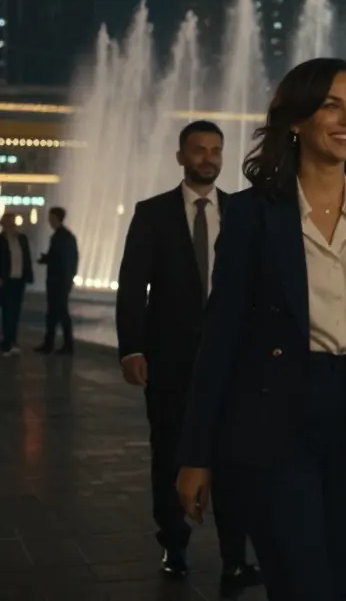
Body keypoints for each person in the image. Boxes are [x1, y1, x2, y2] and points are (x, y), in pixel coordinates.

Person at [174, 58, 346, 600]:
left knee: (333, 583)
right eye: (331, 105)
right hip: (275, 421)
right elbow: (221, 338)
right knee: (302, 585)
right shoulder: (254, 214)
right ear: (295, 120)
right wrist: (195, 454)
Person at [115, 120, 260, 596]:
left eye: (215, 150)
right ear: (181, 156)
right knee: (170, 455)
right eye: (198, 150)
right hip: (171, 360)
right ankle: (173, 544)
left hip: (236, 362)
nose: (208, 158)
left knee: (238, 459)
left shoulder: (243, 211)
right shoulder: (152, 213)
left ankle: (235, 560)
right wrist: (132, 347)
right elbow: (134, 284)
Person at [35, 206, 77, 354]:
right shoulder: (64, 236)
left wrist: (47, 259)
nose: (49, 221)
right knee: (54, 312)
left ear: (56, 218)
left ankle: (64, 345)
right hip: (60, 280)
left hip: (58, 281)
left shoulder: (62, 237)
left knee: (59, 312)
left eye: (50, 217)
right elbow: (70, 259)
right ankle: (52, 343)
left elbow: (62, 259)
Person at [0, 212, 33, 356]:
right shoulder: (1, 240)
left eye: (13, 221)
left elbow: (27, 257)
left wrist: (28, 275)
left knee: (15, 311)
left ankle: (12, 341)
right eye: (9, 222)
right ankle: (7, 342)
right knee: (7, 311)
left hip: (19, 280)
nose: (12, 224)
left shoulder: (22, 238)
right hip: (5, 281)